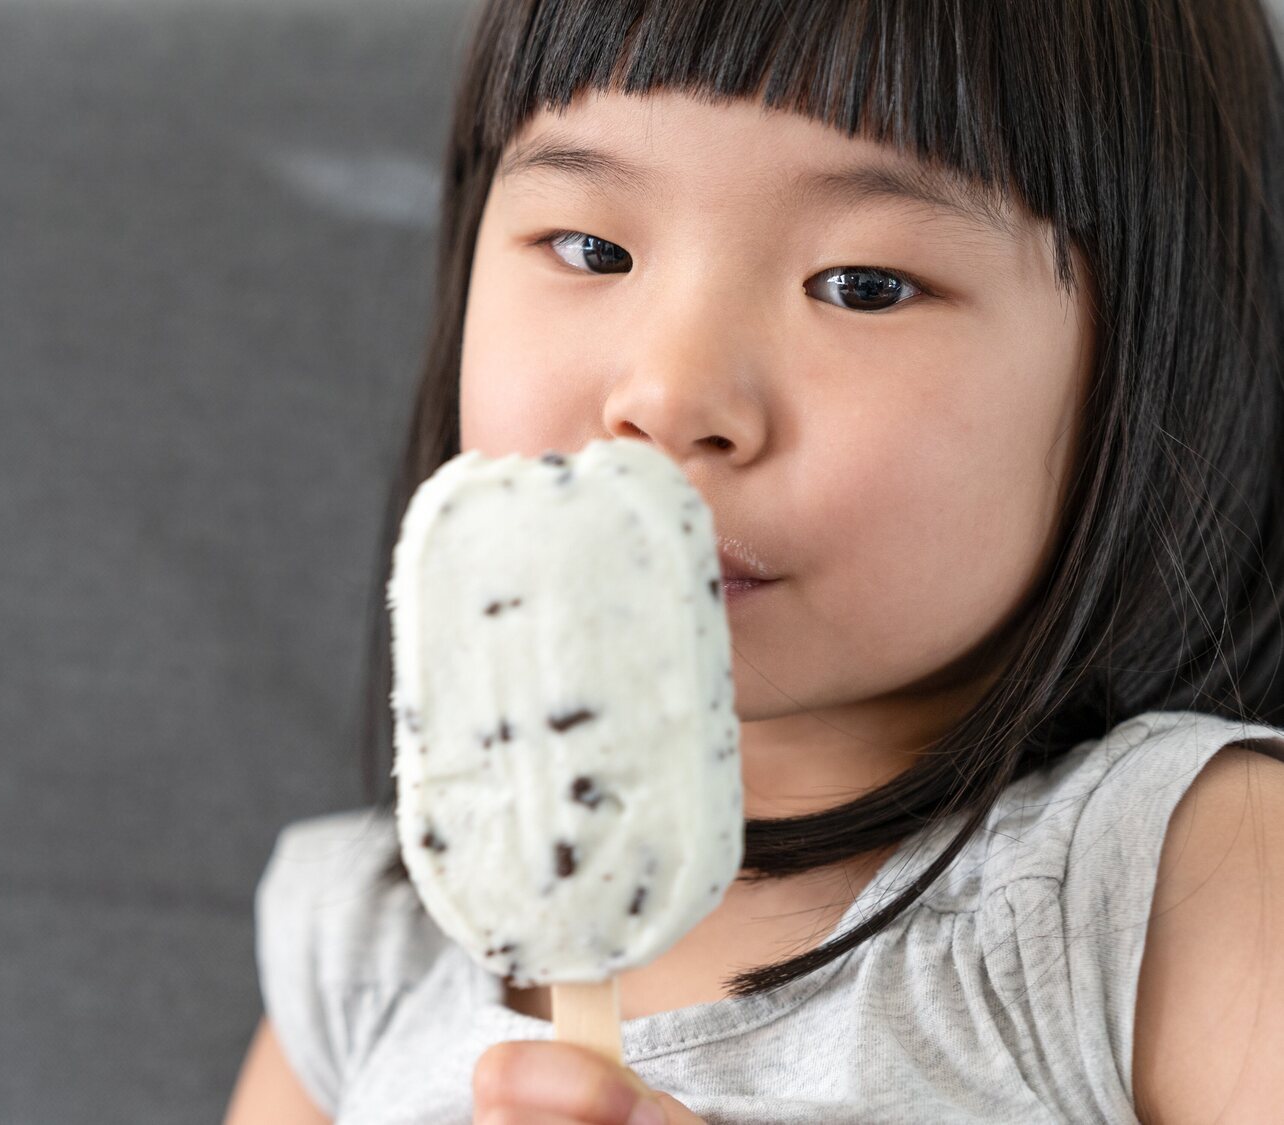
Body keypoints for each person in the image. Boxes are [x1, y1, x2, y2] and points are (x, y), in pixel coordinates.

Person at [225, 0, 1284, 1121]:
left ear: (1154, 366)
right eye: (593, 249)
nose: (670, 396)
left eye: (862, 285)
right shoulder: (365, 946)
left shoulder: (1182, 882)